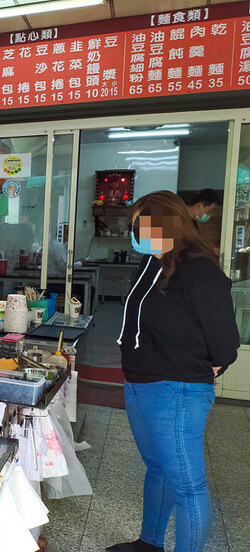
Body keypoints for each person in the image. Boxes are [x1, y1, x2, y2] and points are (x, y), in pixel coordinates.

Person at [108, 191, 239, 552]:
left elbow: (226, 341)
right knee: (158, 469)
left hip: (176, 390)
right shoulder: (153, 262)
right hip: (139, 384)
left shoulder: (199, 269)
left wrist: (204, 368)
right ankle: (149, 543)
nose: (136, 232)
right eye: (136, 226)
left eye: (143, 225)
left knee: (187, 485)